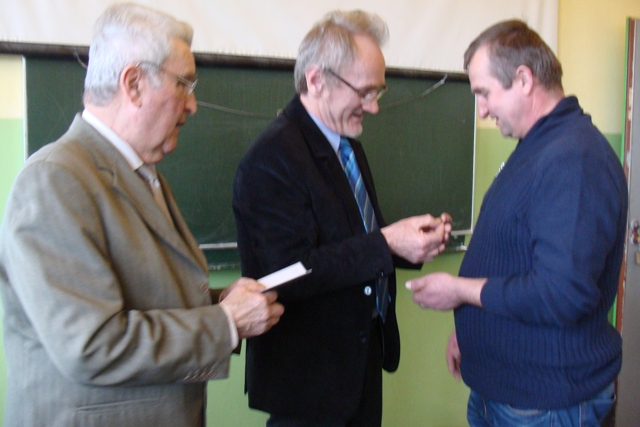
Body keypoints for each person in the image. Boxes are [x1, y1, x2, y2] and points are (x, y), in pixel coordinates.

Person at [0, 4, 284, 427]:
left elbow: (145, 296)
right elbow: (92, 345)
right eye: (183, 84)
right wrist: (225, 323)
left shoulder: (140, 173)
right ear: (133, 84)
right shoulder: (54, 180)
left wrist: (220, 302)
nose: (193, 105)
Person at [232, 10, 451, 427]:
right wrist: (387, 242)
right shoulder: (271, 158)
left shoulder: (347, 147)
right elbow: (287, 274)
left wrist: (412, 243)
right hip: (309, 383)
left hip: (358, 364)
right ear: (316, 80)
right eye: (365, 92)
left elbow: (357, 239)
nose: (374, 107)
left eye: (378, 91)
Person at [405, 19, 627, 426]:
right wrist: (473, 332)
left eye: (484, 93)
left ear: (523, 79)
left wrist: (459, 291)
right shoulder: (539, 147)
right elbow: (516, 259)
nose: (482, 110)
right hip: (508, 390)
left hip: (546, 402)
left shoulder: (574, 159)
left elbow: (562, 293)